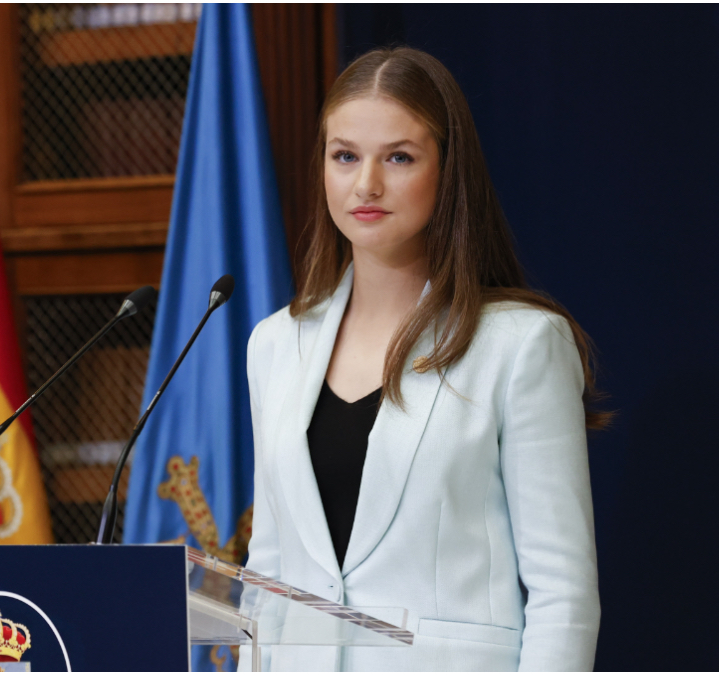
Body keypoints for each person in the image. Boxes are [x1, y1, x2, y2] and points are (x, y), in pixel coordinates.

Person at [241, 47, 606, 672]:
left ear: (448, 169)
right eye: (345, 156)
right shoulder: (276, 343)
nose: (367, 185)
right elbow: (268, 572)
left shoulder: (520, 345)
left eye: (399, 157)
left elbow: (563, 594)